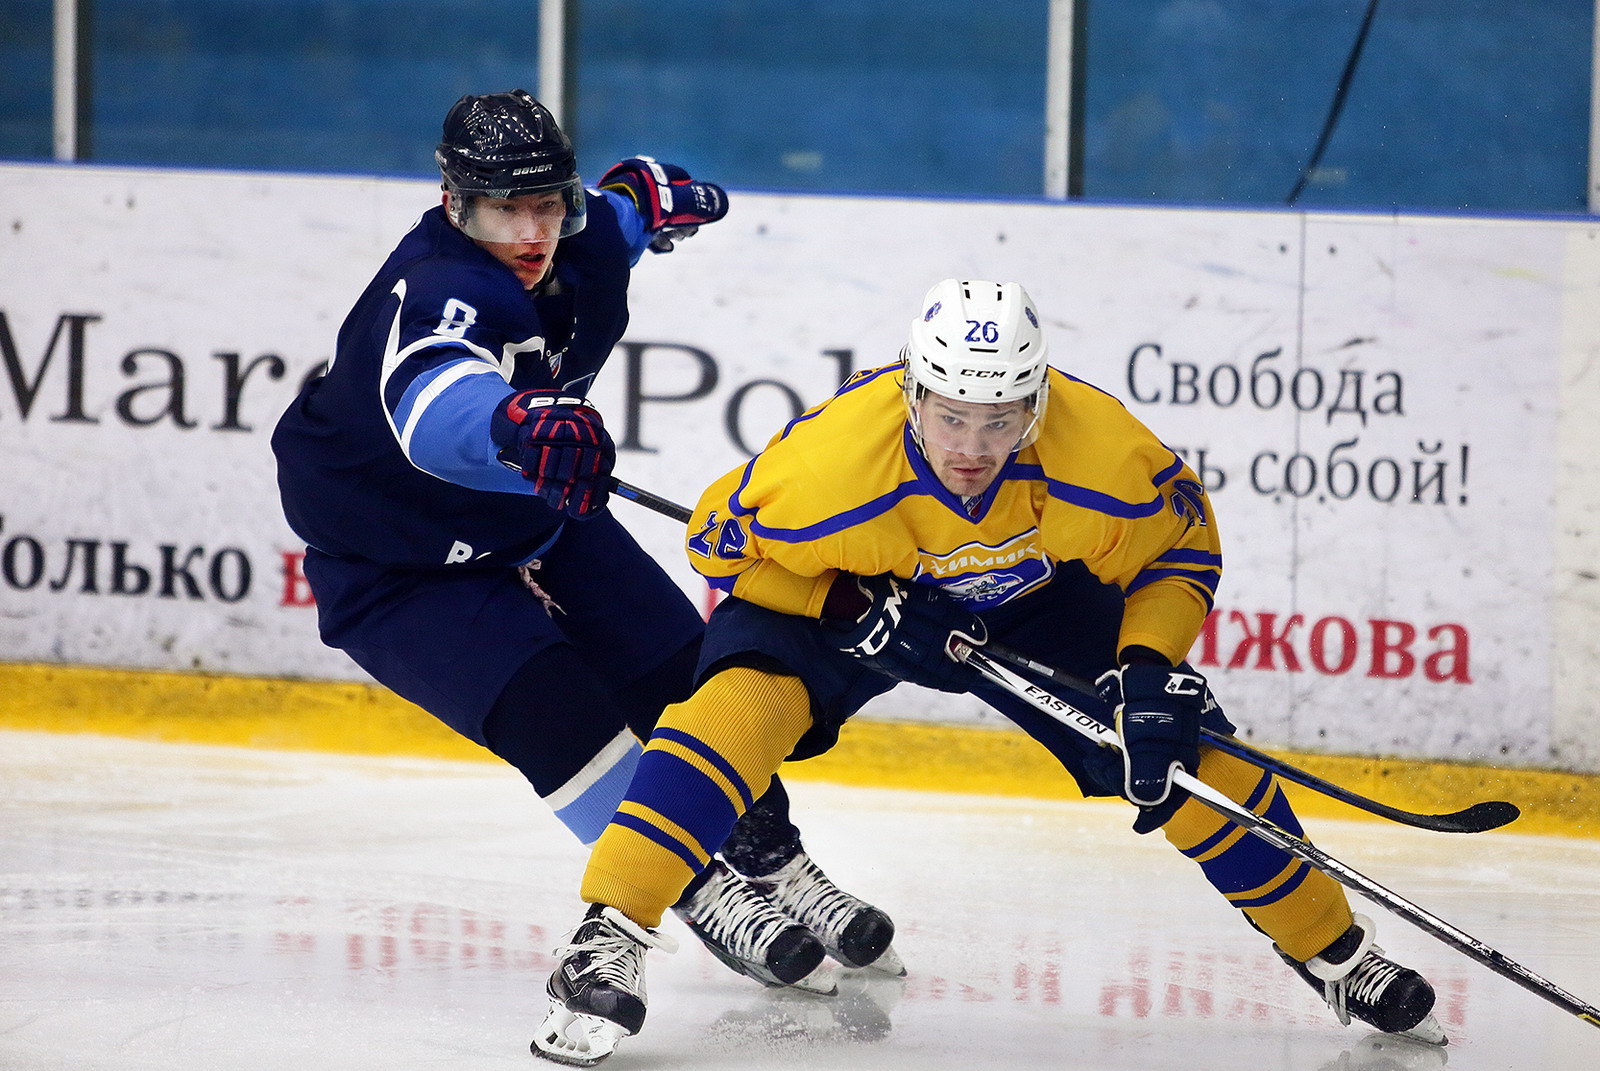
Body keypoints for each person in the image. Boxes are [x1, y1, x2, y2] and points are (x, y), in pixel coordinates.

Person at [534, 278, 1447, 1065]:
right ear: (912, 395)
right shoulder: (832, 472)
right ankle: (608, 935)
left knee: (1187, 757)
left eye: (1000, 419)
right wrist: (846, 608)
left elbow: (1181, 548)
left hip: (1036, 598)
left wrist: (1144, 663)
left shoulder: (1102, 456)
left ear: (1036, 407)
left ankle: (1333, 951)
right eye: (951, 416)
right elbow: (719, 543)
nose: (971, 446)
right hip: (854, 586)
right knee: (734, 710)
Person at [269, 90, 902, 1009]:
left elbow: (621, 213)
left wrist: (638, 200)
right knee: (554, 711)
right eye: (502, 210)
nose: (531, 231)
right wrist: (508, 419)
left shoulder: (580, 233)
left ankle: (779, 860)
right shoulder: (440, 285)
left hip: (536, 513)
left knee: (695, 680)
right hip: (396, 565)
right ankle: (697, 888)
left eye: (547, 204)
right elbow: (428, 400)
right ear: (454, 204)